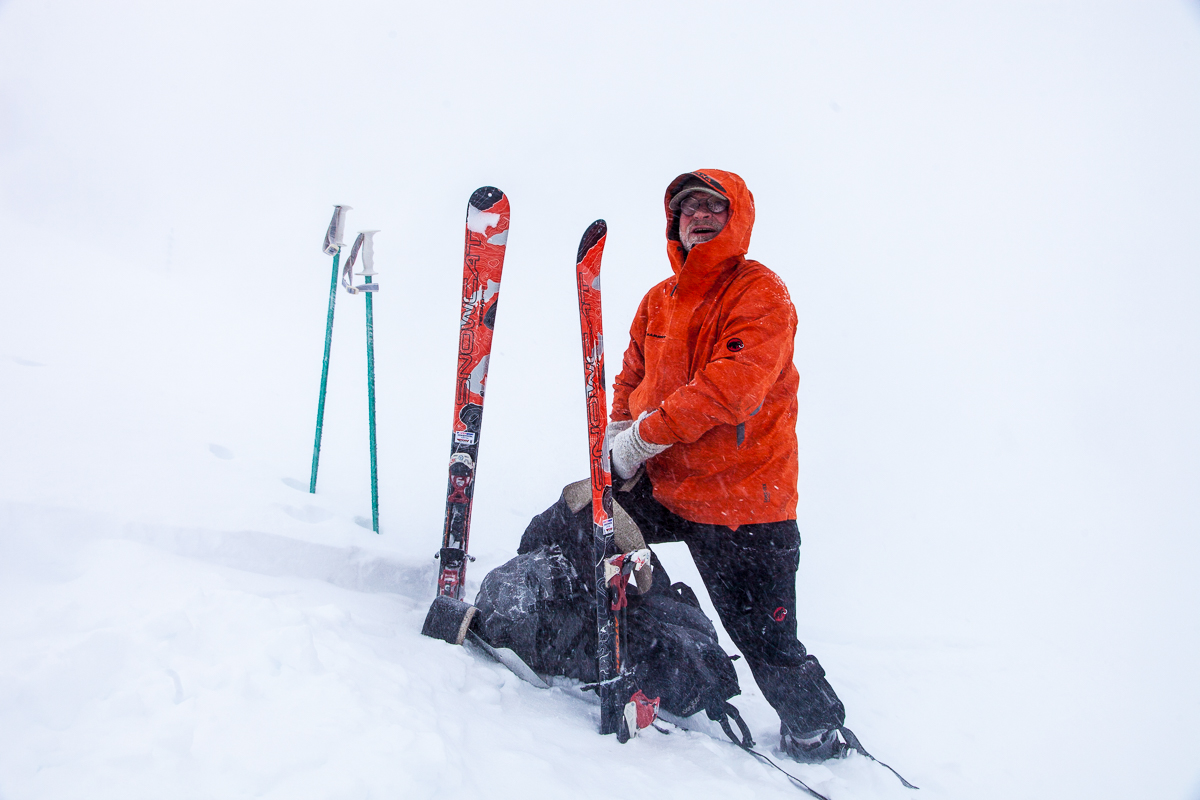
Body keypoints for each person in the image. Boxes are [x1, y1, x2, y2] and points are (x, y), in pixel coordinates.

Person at [606, 169, 863, 762]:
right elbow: (630, 377)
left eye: (712, 207)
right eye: (687, 207)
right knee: (579, 523)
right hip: (668, 490)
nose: (697, 216)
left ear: (736, 217)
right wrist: (620, 431)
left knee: (768, 644)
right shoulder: (658, 300)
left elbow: (730, 390)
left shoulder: (759, 293)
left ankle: (815, 734)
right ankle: (620, 646)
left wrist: (641, 440)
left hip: (744, 507)